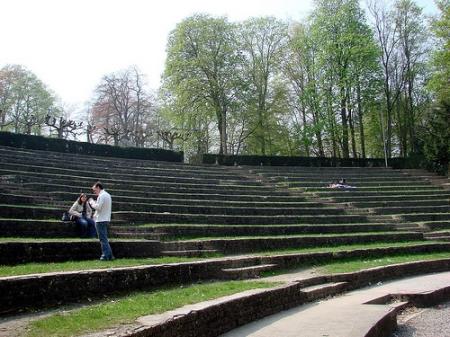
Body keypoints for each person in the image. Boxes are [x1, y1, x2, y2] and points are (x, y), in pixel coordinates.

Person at [88, 182, 114, 261]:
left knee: (102, 239)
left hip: (100, 220)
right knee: (104, 238)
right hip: (106, 219)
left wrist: (92, 202)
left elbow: (98, 207)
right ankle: (110, 255)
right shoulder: (108, 195)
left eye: (94, 190)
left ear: (98, 187)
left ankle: (105, 255)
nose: (94, 192)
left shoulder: (102, 196)